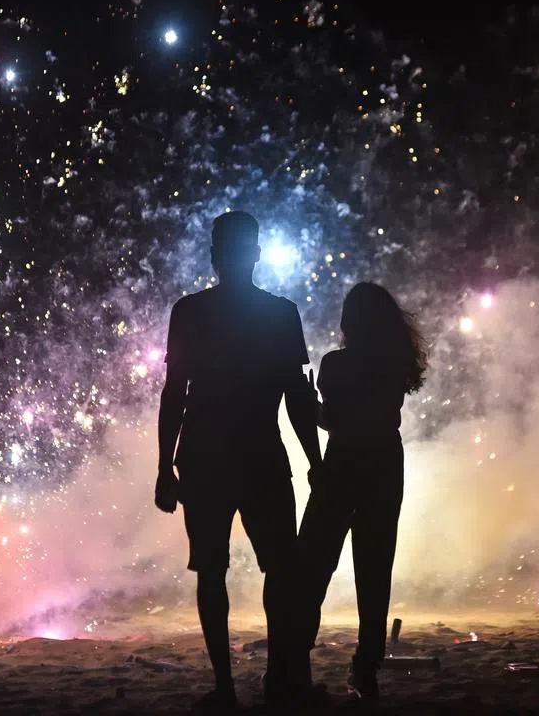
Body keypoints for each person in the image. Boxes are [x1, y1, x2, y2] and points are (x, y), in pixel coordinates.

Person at [154, 211, 323, 711]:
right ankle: (278, 678)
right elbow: (296, 396)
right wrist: (315, 459)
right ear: (256, 254)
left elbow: (174, 394)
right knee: (281, 569)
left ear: (214, 255)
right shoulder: (280, 313)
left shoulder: (190, 312)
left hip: (204, 456)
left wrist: (165, 467)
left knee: (212, 572)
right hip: (261, 452)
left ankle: (226, 688)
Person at [296, 282, 428, 699]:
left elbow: (333, 420)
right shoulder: (395, 363)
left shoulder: (335, 364)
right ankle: (367, 667)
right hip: (385, 464)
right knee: (375, 569)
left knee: (312, 566)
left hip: (343, 464)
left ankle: (296, 659)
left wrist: (310, 405)